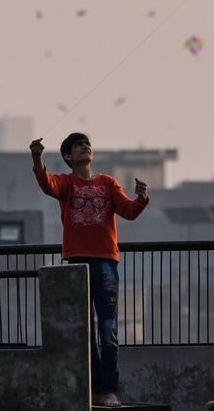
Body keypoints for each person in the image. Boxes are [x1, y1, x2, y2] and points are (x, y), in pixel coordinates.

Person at [30, 132, 149, 408]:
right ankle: (93, 391)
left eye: (87, 144)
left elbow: (129, 211)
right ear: (68, 156)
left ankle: (109, 391)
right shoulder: (66, 182)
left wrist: (142, 198)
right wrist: (37, 158)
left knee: (108, 330)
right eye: (78, 145)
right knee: (85, 332)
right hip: (77, 262)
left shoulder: (108, 183)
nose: (85, 147)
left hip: (106, 262)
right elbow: (47, 184)